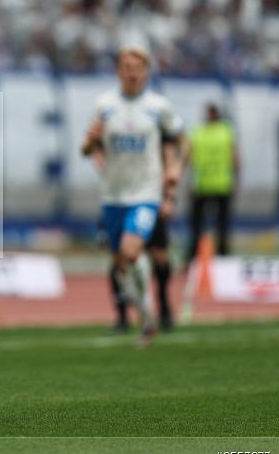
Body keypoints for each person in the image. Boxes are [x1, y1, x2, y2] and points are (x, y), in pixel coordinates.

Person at [81, 42, 185, 347]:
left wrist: (174, 171)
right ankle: (146, 318)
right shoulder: (104, 105)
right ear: (118, 71)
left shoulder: (158, 107)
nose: (132, 73)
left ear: (146, 72)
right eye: (127, 68)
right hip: (113, 196)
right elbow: (87, 149)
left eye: (137, 68)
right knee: (120, 264)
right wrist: (91, 142)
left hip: (146, 194)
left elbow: (180, 141)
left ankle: (155, 307)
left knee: (131, 251)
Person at [185, 102, 239, 262]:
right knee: (222, 226)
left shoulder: (197, 132)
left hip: (201, 185)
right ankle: (223, 258)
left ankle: (193, 257)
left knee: (196, 225)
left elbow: (189, 158)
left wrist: (189, 181)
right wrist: (236, 180)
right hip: (222, 185)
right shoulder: (227, 132)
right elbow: (236, 159)